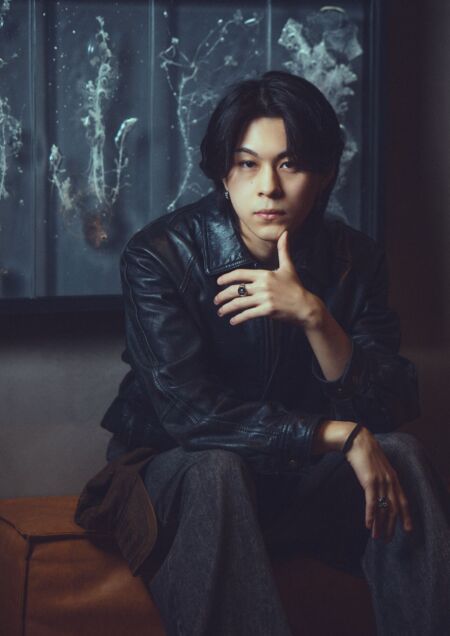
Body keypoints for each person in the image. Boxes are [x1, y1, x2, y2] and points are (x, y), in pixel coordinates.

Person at [98, 71, 450, 635]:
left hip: (294, 482)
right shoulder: (160, 256)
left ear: (325, 172)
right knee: (217, 469)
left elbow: (388, 407)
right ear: (223, 171)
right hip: (175, 477)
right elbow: (193, 418)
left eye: (290, 164)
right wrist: (339, 434)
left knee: (402, 454)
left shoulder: (355, 259)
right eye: (247, 164)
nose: (268, 187)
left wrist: (315, 316)